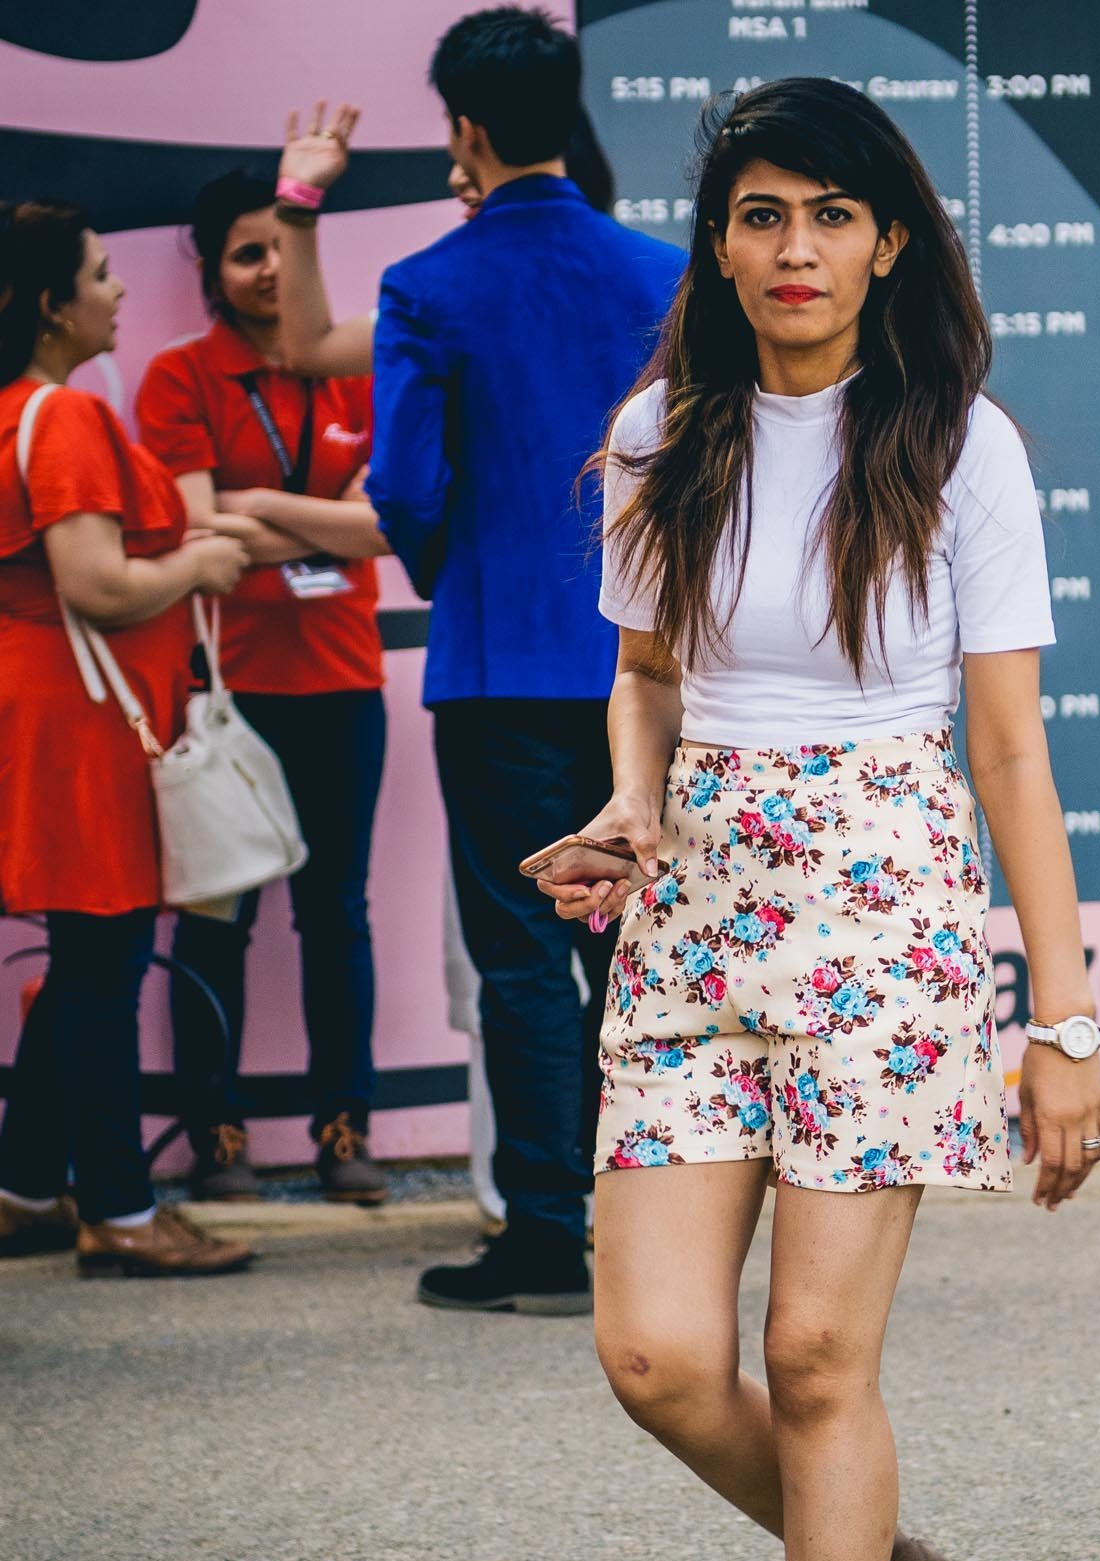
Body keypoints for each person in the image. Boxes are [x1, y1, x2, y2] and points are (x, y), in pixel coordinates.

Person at [535, 77, 1100, 1561]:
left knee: (811, 1360)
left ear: (889, 242)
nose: (796, 250)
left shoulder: (958, 446)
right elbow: (644, 671)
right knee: (656, 1357)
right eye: (762, 214)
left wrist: (1065, 1021)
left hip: (887, 918)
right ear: (718, 240)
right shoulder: (658, 432)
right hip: (695, 908)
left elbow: (1009, 751)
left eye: (831, 216)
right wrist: (632, 799)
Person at [364, 7, 687, 1312]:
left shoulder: (428, 286)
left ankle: (548, 1236)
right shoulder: (667, 274)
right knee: (644, 951)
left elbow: (403, 478)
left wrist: (462, 571)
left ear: (466, 130)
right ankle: (664, 1232)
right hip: (651, 666)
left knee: (519, 957)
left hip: (499, 667)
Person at [0, 199, 253, 1277]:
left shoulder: (25, 406)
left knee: (87, 957)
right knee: (104, 961)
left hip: (59, 714)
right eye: (99, 275)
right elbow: (96, 583)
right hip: (83, 725)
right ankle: (118, 1206)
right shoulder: (61, 417)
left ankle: (24, 1185)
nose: (118, 290)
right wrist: (197, 565)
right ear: (52, 305)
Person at [136, 170, 393, 1203]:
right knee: (216, 918)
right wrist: (302, 517)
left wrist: (253, 502)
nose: (267, 272)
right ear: (212, 268)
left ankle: (346, 1132)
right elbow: (203, 537)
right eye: (246, 254)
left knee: (337, 915)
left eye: (282, 250)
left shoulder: (358, 374)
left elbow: (381, 526)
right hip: (224, 690)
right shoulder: (177, 377)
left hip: (343, 678)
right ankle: (217, 1136)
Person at [271, 101, 617, 381]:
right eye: (458, 161)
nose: (455, 180)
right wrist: (298, 201)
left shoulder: (643, 282)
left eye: (475, 161)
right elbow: (313, 350)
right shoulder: (438, 299)